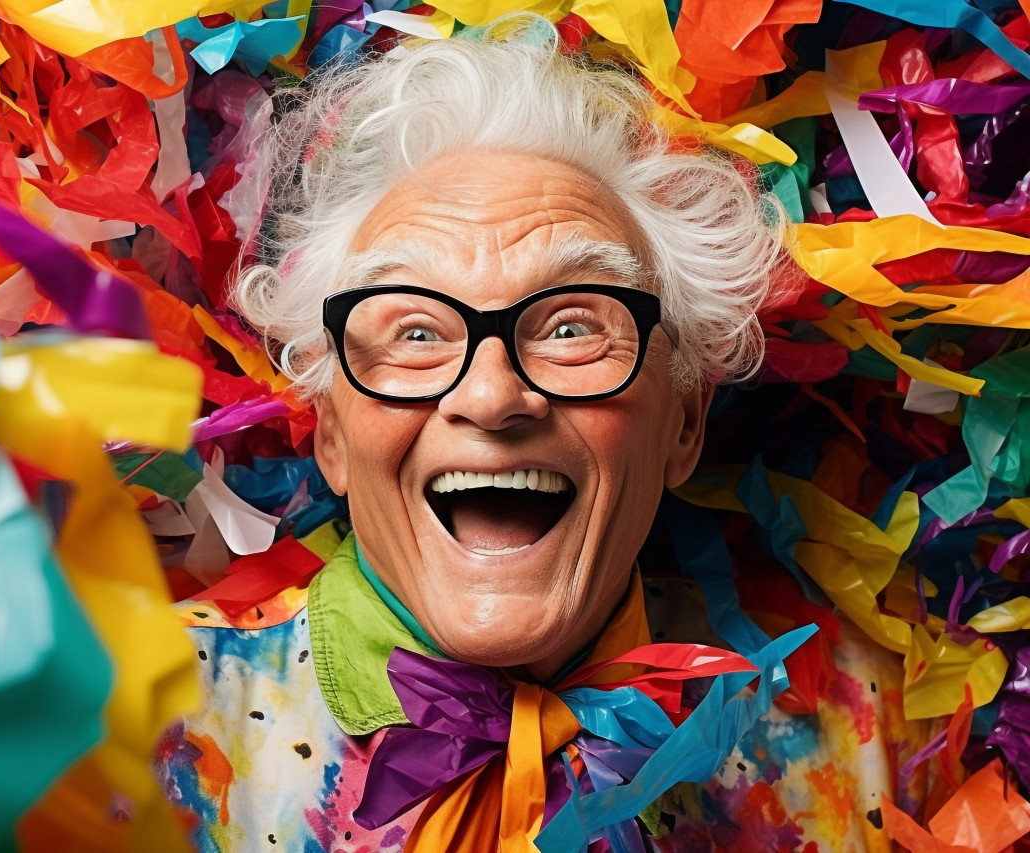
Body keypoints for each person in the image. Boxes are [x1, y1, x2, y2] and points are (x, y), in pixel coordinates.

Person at [154, 19, 932, 852]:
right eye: (415, 332)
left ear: (684, 422)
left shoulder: (868, 731)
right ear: (334, 434)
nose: (491, 396)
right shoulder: (129, 731)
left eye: (571, 326)